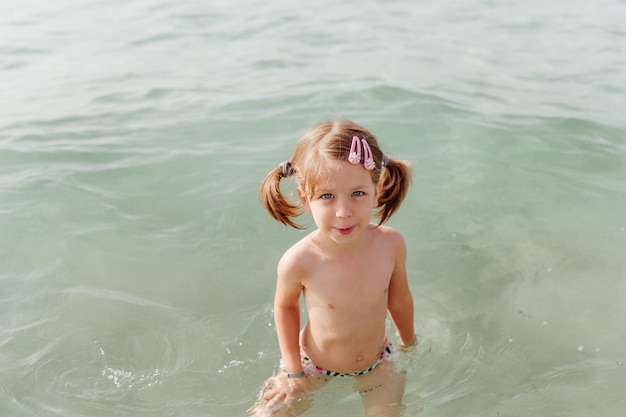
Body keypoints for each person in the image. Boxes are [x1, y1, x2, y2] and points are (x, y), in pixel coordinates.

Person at [249, 120, 416, 417]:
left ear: (377, 191)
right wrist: (293, 372)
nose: (343, 211)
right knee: (267, 414)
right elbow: (285, 308)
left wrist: (409, 343)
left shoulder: (390, 245)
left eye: (358, 194)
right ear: (305, 200)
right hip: (313, 367)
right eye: (327, 196)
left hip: (378, 361)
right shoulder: (300, 260)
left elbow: (399, 298)